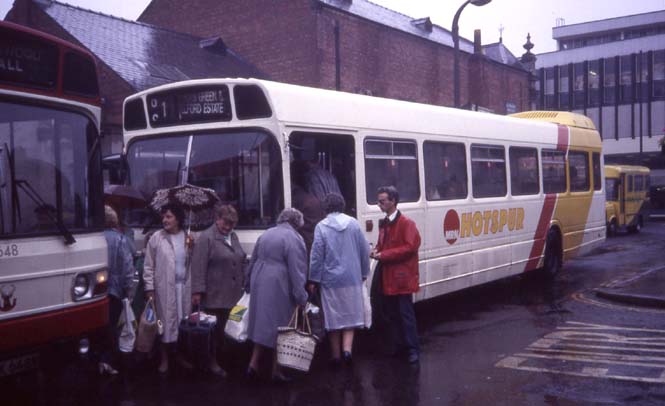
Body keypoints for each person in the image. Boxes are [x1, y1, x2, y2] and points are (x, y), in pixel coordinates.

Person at [245, 208, 309, 382]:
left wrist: (248, 282)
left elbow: (253, 261)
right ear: (297, 223)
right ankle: (277, 370)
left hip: (260, 279)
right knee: (282, 327)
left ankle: (253, 365)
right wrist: (301, 297)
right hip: (279, 282)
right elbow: (297, 271)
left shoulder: (266, 234)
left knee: (262, 324)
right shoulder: (294, 239)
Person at [307, 193, 370, 366]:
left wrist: (313, 279)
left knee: (333, 318)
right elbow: (364, 250)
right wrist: (364, 272)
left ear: (325, 207)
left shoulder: (321, 226)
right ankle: (347, 351)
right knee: (350, 316)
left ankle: (335, 356)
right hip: (352, 277)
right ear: (342, 205)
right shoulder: (353, 223)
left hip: (330, 280)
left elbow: (317, 255)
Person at [191, 204, 247, 377]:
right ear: (217, 219)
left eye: (232, 223)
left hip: (234, 294)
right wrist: (197, 292)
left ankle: (226, 361)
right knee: (214, 331)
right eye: (226, 223)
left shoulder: (234, 236)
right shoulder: (206, 238)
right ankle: (211, 363)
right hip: (214, 295)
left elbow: (241, 257)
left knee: (230, 329)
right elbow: (198, 266)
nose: (229, 227)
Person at [369, 186, 422, 364]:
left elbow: (410, 247)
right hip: (389, 275)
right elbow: (383, 245)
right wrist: (376, 250)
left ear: (393, 201)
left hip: (400, 277)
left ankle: (412, 348)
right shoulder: (385, 223)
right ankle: (399, 345)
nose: (379, 204)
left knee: (405, 313)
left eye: (382, 201)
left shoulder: (407, 223)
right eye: (379, 201)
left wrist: (383, 254)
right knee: (392, 313)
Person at [143, 204, 193, 374]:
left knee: (181, 324)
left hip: (183, 289)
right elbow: (148, 266)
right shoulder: (157, 238)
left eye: (169, 216)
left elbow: (190, 263)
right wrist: (149, 290)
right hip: (163, 290)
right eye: (163, 217)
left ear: (178, 219)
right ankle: (164, 358)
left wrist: (191, 245)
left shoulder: (188, 237)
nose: (164, 220)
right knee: (163, 324)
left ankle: (179, 355)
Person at [99, 205, 135, 375]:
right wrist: (129, 291)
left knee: (100, 327)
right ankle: (109, 360)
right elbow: (128, 267)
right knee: (113, 326)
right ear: (114, 221)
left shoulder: (95, 238)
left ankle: (98, 358)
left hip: (96, 291)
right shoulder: (120, 239)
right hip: (115, 290)